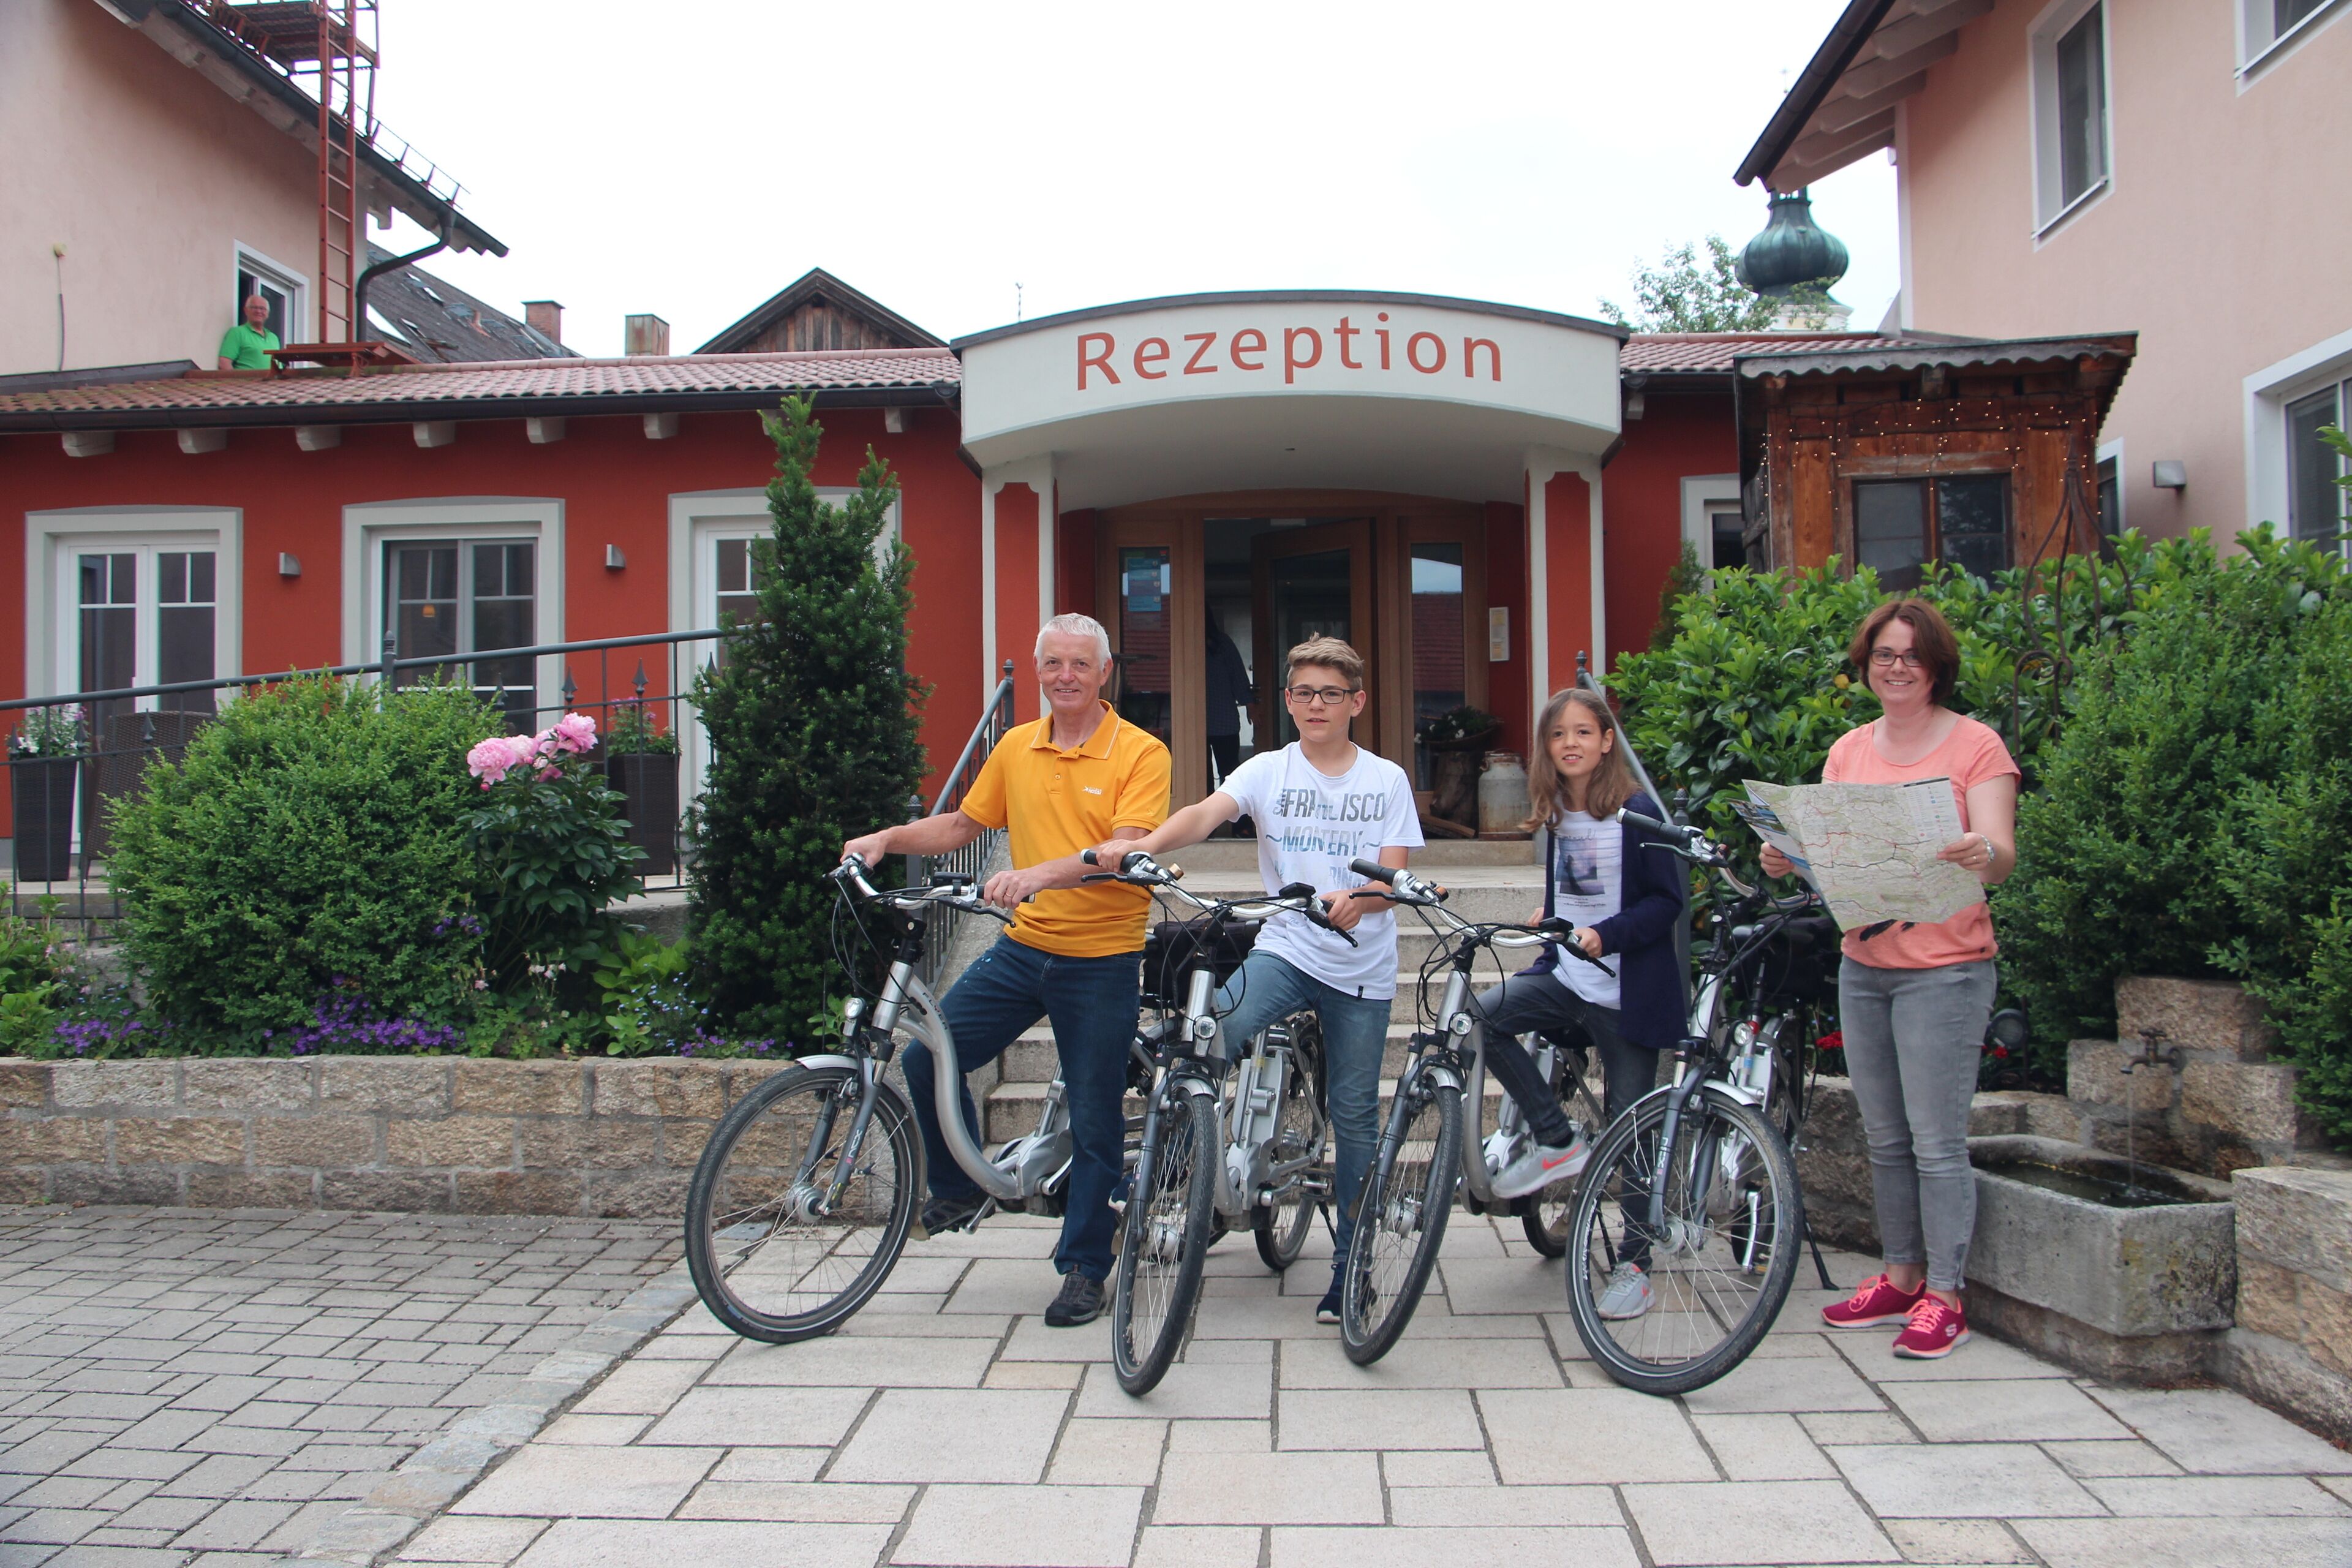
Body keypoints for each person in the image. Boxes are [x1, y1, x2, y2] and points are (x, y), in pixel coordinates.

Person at [842, 612, 1169, 1329]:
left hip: (1102, 956)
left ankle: (1085, 1266)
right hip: (1024, 948)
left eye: (1080, 664)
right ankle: (961, 1186)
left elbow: (1124, 850)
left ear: (1104, 672)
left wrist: (1036, 875)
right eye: (1053, 663)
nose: (1065, 676)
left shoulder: (1141, 752)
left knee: (1095, 1117)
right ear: (1039, 669)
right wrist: (888, 838)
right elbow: (963, 825)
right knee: (928, 1056)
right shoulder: (1018, 745)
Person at [1096, 635, 1420, 1324]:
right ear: (1287, 702)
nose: (1316, 704)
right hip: (1286, 947)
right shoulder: (1269, 769)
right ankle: (1176, 1172)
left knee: (1355, 1116)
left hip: (1360, 969)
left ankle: (1352, 1267)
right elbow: (1206, 813)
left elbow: (1392, 878)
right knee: (1211, 1035)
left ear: (1357, 701)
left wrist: (1359, 900)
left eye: (1331, 693)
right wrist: (1141, 846)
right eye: (1303, 693)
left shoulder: (1386, 780)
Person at [1762, 597, 2017, 1361]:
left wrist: (1980, 852)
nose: (1896, 667)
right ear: (1866, 664)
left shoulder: (1976, 745)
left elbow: (2002, 855)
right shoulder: (1848, 750)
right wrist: (1788, 857)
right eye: (1883, 655)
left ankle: (1947, 1296)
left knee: (1936, 1142)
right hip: (1865, 966)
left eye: (1911, 655)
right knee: (1885, 1138)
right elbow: (1835, 859)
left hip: (1946, 971)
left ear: (1937, 665)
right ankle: (1902, 1276)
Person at [1467, 687, 1686, 1320]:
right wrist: (1555, 916)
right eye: (1559, 734)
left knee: (1632, 1132)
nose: (1571, 744)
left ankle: (1634, 1266)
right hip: (1567, 980)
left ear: (1607, 741)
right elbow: (1576, 891)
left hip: (1626, 996)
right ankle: (1555, 1136)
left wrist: (1605, 935)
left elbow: (1666, 903)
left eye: (1584, 732)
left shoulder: (1637, 813)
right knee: (1479, 1017)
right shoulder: (1558, 811)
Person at [1204, 616, 1253, 788]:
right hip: (1220, 720)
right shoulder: (1223, 643)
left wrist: (1250, 705)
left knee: (1224, 775)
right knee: (1225, 774)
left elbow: (1238, 676)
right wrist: (1249, 704)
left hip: (1218, 720)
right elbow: (1238, 676)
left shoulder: (1222, 644)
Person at [217, 292, 281, 370]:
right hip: (247, 378)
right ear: (246, 310)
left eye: (262, 309)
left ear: (268, 313)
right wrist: (237, 379)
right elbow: (224, 363)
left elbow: (279, 367)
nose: (258, 311)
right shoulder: (237, 333)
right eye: (254, 308)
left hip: (272, 378)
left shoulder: (274, 338)